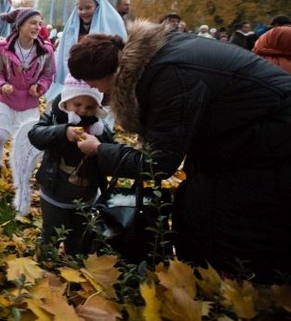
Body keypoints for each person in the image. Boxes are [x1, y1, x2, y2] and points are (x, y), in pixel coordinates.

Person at [68, 21, 291, 282]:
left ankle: (236, 287)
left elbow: (158, 164)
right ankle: (208, 277)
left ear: (110, 74)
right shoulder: (155, 59)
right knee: (196, 208)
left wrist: (101, 151)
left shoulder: (170, 76)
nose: (97, 91)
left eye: (95, 84)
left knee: (230, 220)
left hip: (270, 141)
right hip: (241, 137)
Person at [27, 74, 114, 254]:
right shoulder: (54, 118)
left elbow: (111, 150)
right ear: (65, 103)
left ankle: (74, 261)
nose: (83, 111)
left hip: (86, 195)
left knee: (78, 234)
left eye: (89, 107)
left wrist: (100, 143)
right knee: (51, 232)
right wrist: (62, 132)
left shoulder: (99, 128)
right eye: (77, 105)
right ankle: (45, 259)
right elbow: (36, 135)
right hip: (55, 191)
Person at [0, 8, 55, 182]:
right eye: (33, 23)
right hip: (6, 99)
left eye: (40, 23)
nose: (38, 27)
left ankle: (23, 171)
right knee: (2, 135)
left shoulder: (46, 51)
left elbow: (48, 75)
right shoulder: (3, 48)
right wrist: (2, 85)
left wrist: (40, 87)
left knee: (25, 140)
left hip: (29, 103)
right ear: (20, 25)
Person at [49, 0, 127, 99]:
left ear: (98, 7)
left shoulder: (113, 24)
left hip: (102, 82)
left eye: (88, 8)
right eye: (80, 9)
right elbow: (64, 54)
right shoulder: (71, 27)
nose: (83, 12)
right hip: (76, 82)